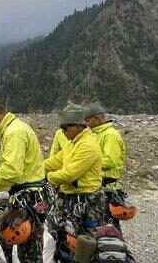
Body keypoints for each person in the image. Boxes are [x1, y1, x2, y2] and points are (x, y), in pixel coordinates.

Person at [0, 99, 46, 263]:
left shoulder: (14, 133)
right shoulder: (17, 128)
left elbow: (12, 171)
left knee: (27, 248)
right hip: (31, 195)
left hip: (28, 198)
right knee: (27, 245)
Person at [44, 104, 106, 262]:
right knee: (64, 235)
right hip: (70, 197)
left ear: (78, 126)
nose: (63, 132)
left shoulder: (88, 146)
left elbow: (69, 175)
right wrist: (35, 169)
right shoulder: (73, 144)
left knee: (83, 241)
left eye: (65, 128)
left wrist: (48, 177)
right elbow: (54, 161)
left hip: (86, 200)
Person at [84, 103, 127, 231]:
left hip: (108, 188)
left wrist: (85, 164)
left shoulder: (110, 135)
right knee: (95, 226)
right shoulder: (93, 134)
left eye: (88, 120)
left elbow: (110, 161)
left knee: (109, 227)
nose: (86, 123)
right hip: (95, 186)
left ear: (97, 118)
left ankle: (115, 249)